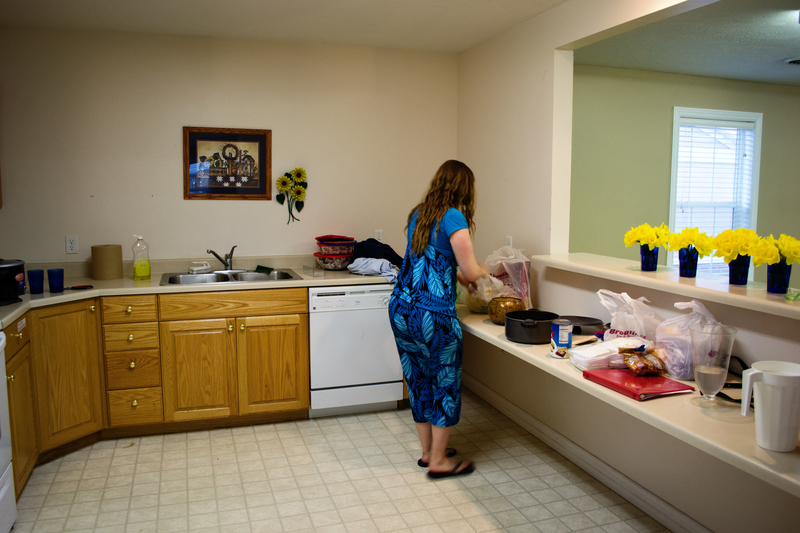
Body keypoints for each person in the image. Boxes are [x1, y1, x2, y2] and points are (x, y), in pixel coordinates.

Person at [388, 159, 487, 479]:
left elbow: (429, 259)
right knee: (444, 380)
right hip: (434, 315)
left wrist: (457, 276)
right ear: (464, 188)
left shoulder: (421, 213)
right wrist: (484, 272)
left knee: (418, 379)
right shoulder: (454, 216)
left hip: (402, 309)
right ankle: (440, 462)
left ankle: (428, 452)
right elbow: (473, 270)